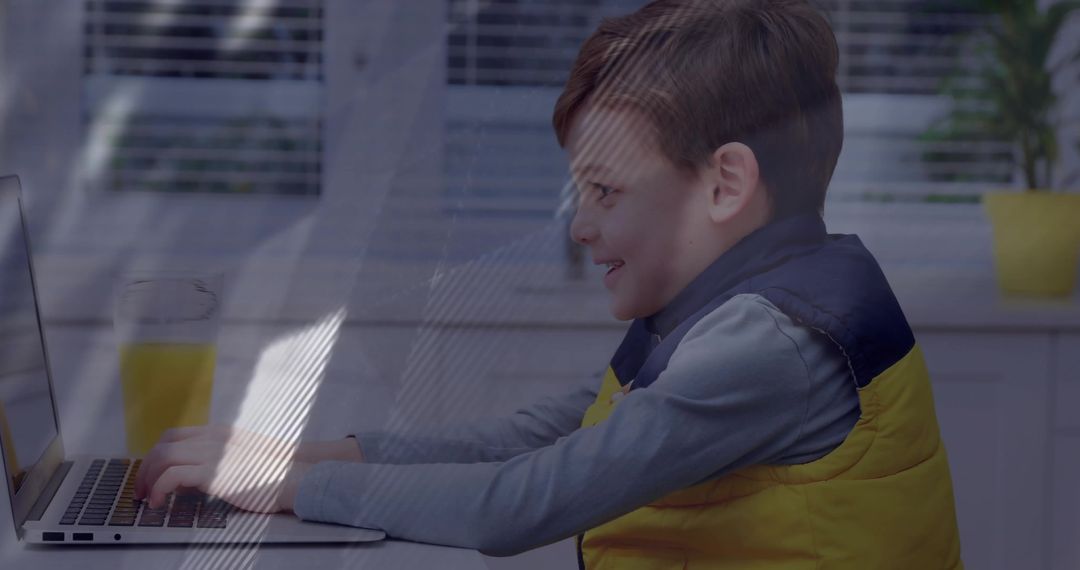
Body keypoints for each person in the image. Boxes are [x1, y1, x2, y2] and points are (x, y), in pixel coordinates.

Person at [134, 0, 964, 567]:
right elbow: (536, 437)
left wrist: (289, 486)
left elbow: (519, 505)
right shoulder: (734, 308)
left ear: (724, 186)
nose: (581, 227)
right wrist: (297, 454)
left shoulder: (769, 345)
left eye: (606, 191)